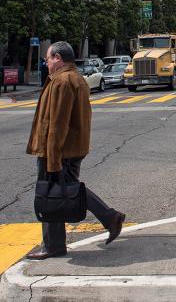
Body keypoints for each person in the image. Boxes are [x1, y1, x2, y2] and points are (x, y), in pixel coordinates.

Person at [26, 41, 125, 260]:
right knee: (63, 189)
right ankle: (59, 242)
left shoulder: (63, 81)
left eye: (48, 59)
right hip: (69, 148)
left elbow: (57, 124)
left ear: (58, 58)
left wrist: (53, 158)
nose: (46, 62)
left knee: (53, 192)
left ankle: (55, 244)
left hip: (61, 150)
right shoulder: (75, 78)